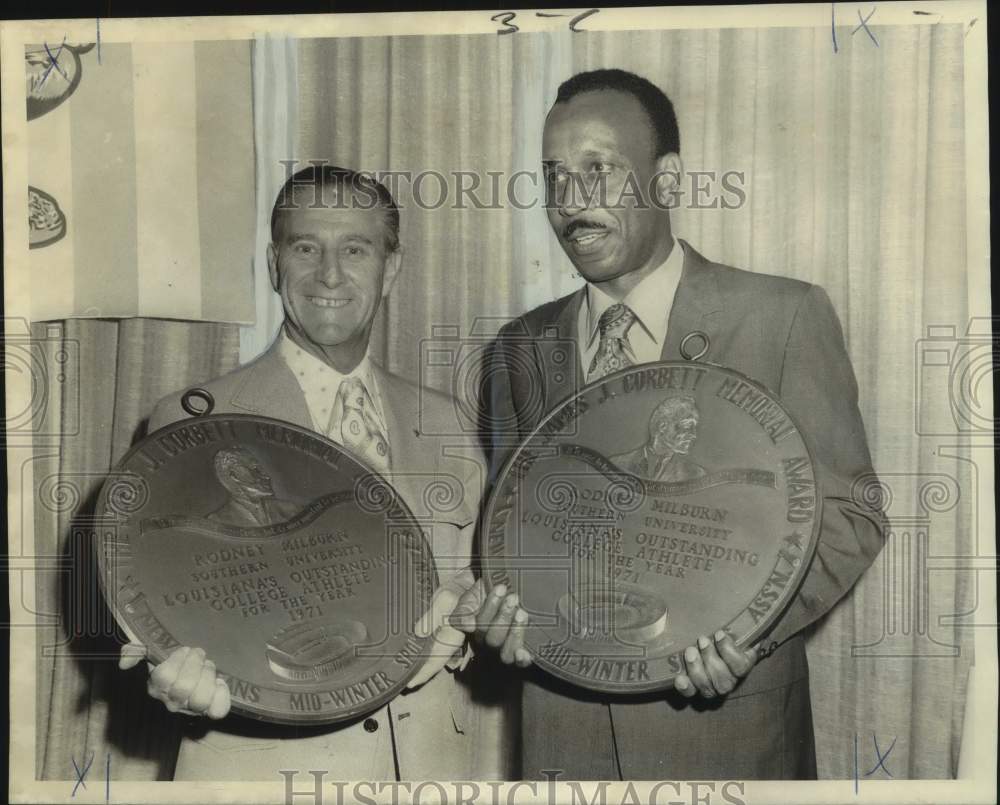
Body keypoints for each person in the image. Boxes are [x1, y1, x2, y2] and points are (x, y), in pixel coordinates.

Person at [459, 68, 886, 779]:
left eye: (600, 170)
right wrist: (503, 611)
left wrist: (749, 629)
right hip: (561, 742)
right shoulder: (516, 349)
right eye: (555, 176)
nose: (572, 202)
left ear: (670, 180)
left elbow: (851, 513)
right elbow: (516, 527)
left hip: (728, 735)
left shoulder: (782, 316)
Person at [119, 165, 497, 780]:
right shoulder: (195, 426)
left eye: (355, 248)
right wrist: (170, 680)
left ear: (391, 268)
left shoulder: (450, 424)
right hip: (264, 772)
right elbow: (155, 611)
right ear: (275, 265)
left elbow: (474, 589)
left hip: (429, 770)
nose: (329, 275)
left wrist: (470, 615)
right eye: (305, 247)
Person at [609, 394, 705, 482]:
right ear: (662, 426)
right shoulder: (617, 464)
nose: (693, 434)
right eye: (687, 427)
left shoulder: (695, 474)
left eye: (694, 428)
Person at [205, 446, 300, 527]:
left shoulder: (291, 510)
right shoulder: (216, 521)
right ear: (234, 475)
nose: (266, 476)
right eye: (255, 469)